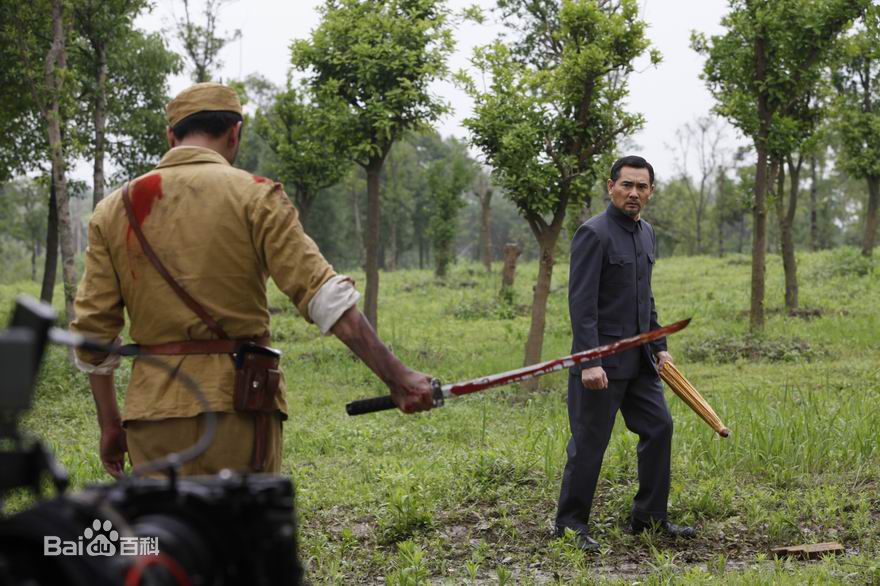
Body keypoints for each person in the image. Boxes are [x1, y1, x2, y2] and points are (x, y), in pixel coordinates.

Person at [71, 83, 434, 479]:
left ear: (171, 136)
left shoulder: (112, 211)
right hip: (241, 411)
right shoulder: (256, 197)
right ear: (234, 133)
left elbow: (93, 335)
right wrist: (397, 378)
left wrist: (110, 424)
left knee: (165, 538)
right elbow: (326, 299)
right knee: (243, 537)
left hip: (152, 418)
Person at [555, 155, 695, 551]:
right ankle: (569, 526)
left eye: (642, 186)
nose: (634, 193)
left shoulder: (646, 233)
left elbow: (643, 298)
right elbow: (581, 305)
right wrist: (589, 361)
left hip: (640, 363)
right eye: (627, 185)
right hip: (600, 365)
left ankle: (649, 517)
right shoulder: (593, 234)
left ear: (651, 192)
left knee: (659, 427)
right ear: (610, 186)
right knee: (589, 442)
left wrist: (660, 348)